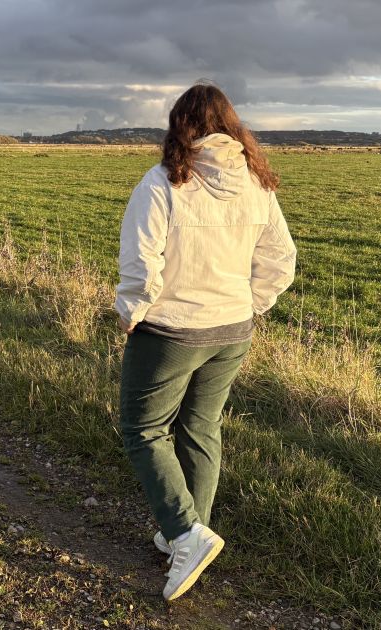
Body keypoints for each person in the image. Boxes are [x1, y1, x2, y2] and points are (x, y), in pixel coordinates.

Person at [114, 82, 297, 601]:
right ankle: (188, 532)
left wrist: (130, 313)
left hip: (171, 330)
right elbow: (281, 260)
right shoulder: (256, 185)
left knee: (143, 429)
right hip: (233, 329)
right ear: (232, 128)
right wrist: (251, 304)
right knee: (201, 427)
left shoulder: (162, 183)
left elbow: (140, 262)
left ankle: (187, 533)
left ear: (180, 127)